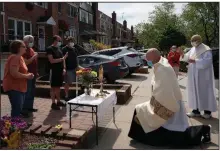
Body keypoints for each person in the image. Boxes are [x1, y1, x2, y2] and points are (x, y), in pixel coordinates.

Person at [128, 48, 211, 148]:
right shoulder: (160, 64)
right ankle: (146, 136)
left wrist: (153, 106)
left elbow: (164, 93)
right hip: (165, 100)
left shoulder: (163, 69)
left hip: (169, 104)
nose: (147, 62)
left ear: (155, 58)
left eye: (149, 60)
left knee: (176, 133)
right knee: (140, 111)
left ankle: (204, 129)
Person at [182, 35, 217, 119]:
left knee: (204, 93)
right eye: (191, 40)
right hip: (193, 74)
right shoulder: (193, 49)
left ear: (198, 41)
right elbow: (187, 57)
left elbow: (207, 62)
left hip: (203, 76)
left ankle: (207, 112)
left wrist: (195, 61)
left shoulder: (206, 49)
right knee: (194, 92)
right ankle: (195, 111)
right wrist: (182, 55)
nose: (192, 42)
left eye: (193, 40)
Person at [3, 40, 34, 117]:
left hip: (20, 87)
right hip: (14, 87)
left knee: (18, 109)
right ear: (18, 48)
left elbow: (21, 71)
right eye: (23, 46)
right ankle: (14, 127)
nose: (26, 48)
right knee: (16, 109)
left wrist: (28, 74)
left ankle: (16, 126)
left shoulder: (20, 58)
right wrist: (27, 76)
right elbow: (14, 73)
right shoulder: (15, 57)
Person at [46, 35, 68, 110]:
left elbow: (63, 59)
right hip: (53, 71)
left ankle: (58, 101)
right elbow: (51, 61)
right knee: (53, 87)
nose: (60, 42)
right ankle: (53, 103)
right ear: (55, 40)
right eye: (59, 40)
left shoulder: (59, 49)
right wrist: (62, 59)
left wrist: (64, 68)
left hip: (60, 71)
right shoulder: (49, 49)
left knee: (58, 87)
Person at [22, 35, 38, 114]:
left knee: (32, 91)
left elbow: (34, 62)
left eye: (32, 41)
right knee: (27, 91)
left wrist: (36, 72)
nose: (32, 42)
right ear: (25, 41)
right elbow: (26, 62)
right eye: (30, 41)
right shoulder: (23, 50)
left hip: (33, 73)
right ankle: (24, 109)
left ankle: (30, 107)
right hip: (27, 74)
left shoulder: (31, 49)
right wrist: (34, 56)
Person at [62, 37, 80, 101]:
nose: (72, 43)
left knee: (76, 81)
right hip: (68, 69)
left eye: (72, 41)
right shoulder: (64, 49)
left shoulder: (74, 49)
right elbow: (63, 59)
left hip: (74, 68)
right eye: (70, 41)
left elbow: (76, 58)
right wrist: (64, 68)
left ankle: (77, 94)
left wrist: (77, 66)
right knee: (67, 83)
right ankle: (66, 96)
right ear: (68, 42)